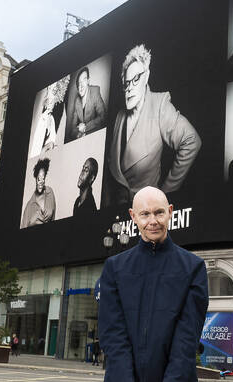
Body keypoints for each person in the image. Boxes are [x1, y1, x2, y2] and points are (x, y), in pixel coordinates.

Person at [98, 186, 208, 382]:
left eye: (159, 212)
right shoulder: (114, 268)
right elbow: (112, 333)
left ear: (170, 212)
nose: (153, 221)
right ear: (133, 216)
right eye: (145, 214)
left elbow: (187, 339)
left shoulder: (194, 268)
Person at [105, 44, 202, 205]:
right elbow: (111, 173)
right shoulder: (120, 117)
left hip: (146, 213)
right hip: (117, 218)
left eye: (136, 79)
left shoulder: (159, 105)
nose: (129, 88)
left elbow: (192, 141)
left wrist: (164, 197)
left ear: (147, 75)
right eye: (126, 83)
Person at [69, 66, 107, 141]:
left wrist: (85, 127)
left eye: (84, 80)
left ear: (88, 81)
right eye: (79, 83)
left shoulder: (95, 91)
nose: (81, 86)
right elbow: (72, 128)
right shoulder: (77, 101)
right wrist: (78, 134)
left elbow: (103, 116)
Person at [21, 158, 56, 227]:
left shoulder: (50, 192)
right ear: (35, 178)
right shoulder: (29, 206)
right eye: (39, 179)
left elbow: (53, 215)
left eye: (43, 178)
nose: (41, 182)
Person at [29, 92, 58, 157]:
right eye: (49, 103)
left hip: (45, 149)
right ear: (45, 105)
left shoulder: (51, 118)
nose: (51, 105)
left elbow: (52, 136)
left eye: (52, 103)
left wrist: (51, 144)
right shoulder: (41, 117)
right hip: (37, 149)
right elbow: (37, 138)